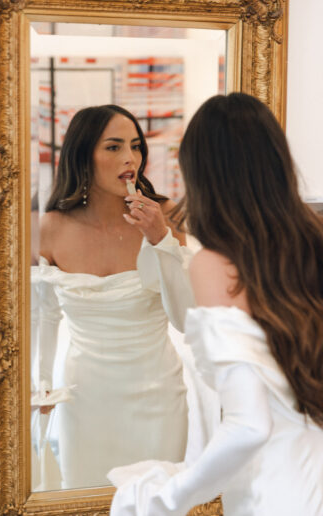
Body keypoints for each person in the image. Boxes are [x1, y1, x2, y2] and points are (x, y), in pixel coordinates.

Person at [108, 92, 323, 515]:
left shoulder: (215, 264)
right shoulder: (313, 241)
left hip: (277, 492)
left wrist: (164, 498)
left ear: (202, 173)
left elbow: (249, 425)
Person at [31, 104, 197, 490]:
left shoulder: (166, 214)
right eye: (113, 147)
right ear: (83, 155)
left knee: (158, 499)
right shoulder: (51, 228)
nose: (130, 159)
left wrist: (160, 239)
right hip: (85, 397)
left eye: (136, 146)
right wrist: (40, 381)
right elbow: (45, 314)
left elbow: (186, 318)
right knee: (85, 496)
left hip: (158, 395)